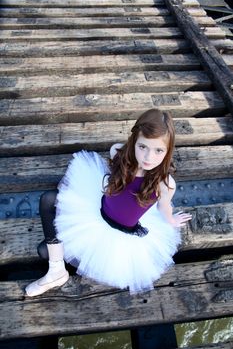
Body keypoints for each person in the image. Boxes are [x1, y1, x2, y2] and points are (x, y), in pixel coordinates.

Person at [25, 109, 192, 297]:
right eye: (143, 147)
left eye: (158, 150)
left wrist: (172, 221)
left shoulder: (165, 184)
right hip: (95, 213)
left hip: (116, 237)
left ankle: (60, 270)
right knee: (48, 199)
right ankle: (57, 272)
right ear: (134, 140)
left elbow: (164, 208)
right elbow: (117, 182)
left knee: (43, 251)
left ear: (168, 150)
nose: (148, 157)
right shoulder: (117, 153)